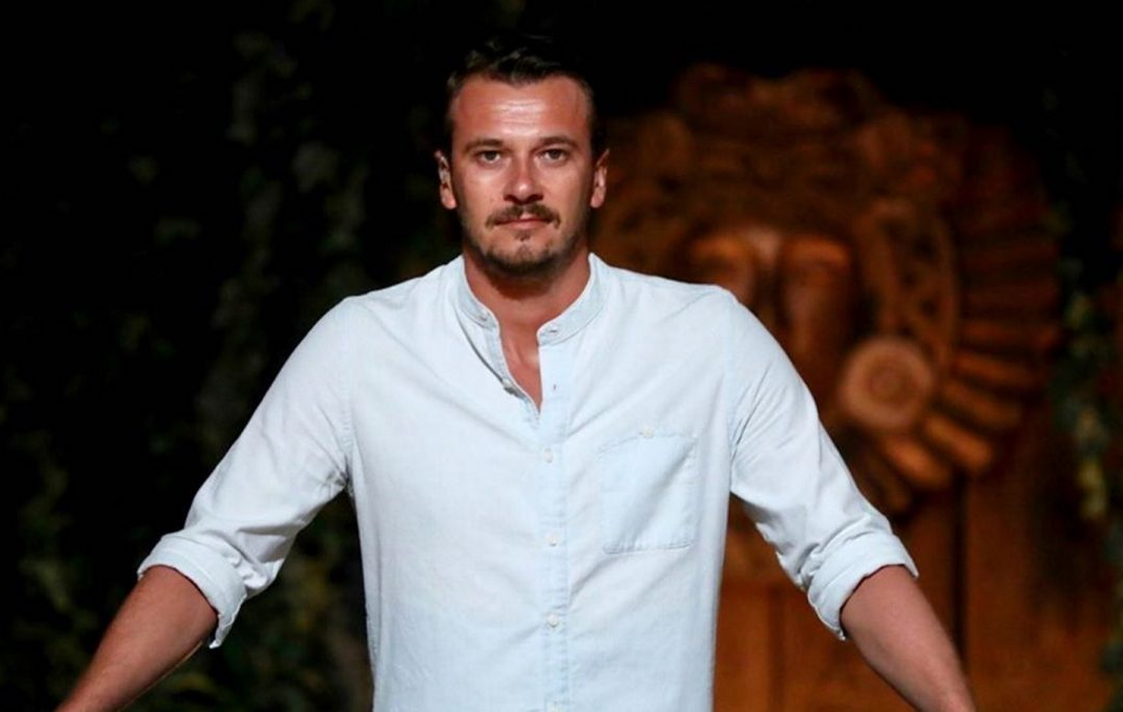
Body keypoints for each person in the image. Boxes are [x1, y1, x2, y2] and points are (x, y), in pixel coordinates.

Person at [58, 33, 976, 712]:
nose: (523, 185)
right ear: (449, 179)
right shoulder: (362, 348)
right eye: (491, 155)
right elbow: (218, 551)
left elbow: (841, 548)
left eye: (553, 154)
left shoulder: (708, 342)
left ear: (598, 178)